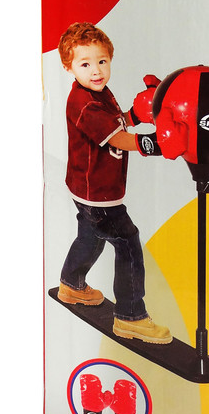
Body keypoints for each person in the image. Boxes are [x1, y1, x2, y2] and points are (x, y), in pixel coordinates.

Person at [56, 21, 172, 344]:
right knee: (128, 243)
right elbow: (118, 139)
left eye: (102, 61)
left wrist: (136, 114)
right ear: (68, 67)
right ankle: (131, 317)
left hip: (88, 189)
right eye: (85, 64)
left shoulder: (99, 93)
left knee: (90, 236)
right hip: (98, 194)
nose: (96, 70)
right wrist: (157, 143)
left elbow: (116, 123)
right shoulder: (83, 103)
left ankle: (71, 283)